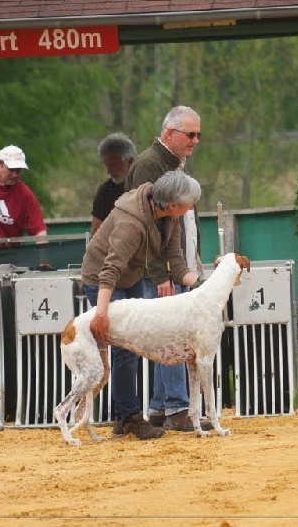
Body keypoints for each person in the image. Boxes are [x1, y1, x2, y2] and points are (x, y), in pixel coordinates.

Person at [81, 170, 201, 440]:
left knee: (131, 346)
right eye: (188, 204)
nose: (191, 208)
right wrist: (101, 313)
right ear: (172, 204)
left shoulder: (170, 217)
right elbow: (110, 270)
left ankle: (125, 417)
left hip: (131, 276)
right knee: (124, 347)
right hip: (102, 279)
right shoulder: (132, 223)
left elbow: (176, 262)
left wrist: (207, 284)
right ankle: (129, 418)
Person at [124, 105, 206, 432]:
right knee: (172, 334)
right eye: (191, 134)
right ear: (170, 133)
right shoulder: (149, 164)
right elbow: (143, 224)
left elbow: (178, 222)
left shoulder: (173, 163)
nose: (196, 140)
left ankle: (161, 406)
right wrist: (161, 273)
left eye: (198, 135)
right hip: (156, 269)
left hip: (173, 264)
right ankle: (177, 405)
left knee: (167, 332)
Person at [90, 133, 137, 237]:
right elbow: (96, 231)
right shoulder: (105, 191)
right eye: (107, 165)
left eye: (115, 165)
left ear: (131, 161)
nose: (109, 171)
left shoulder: (146, 185)